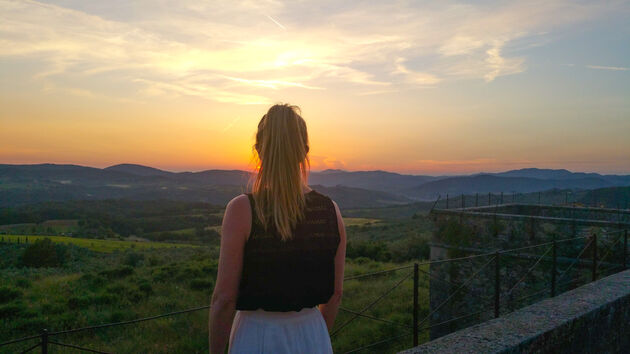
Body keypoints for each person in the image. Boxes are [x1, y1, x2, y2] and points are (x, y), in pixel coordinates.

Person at [209, 103, 347, 354]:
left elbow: (224, 299)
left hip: (257, 336)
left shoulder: (242, 210)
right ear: (304, 151)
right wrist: (314, 337)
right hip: (313, 334)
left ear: (259, 150)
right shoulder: (331, 211)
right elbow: (335, 294)